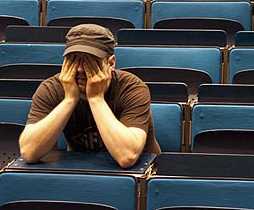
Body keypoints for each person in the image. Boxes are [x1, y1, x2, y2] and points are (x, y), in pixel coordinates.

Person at [19, 23, 160, 168]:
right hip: (84, 170)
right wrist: (69, 100)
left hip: (140, 175)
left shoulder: (131, 88)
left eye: (90, 61)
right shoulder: (52, 88)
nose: (80, 69)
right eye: (73, 60)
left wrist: (96, 99)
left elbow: (127, 157)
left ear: (111, 63)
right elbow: (29, 152)